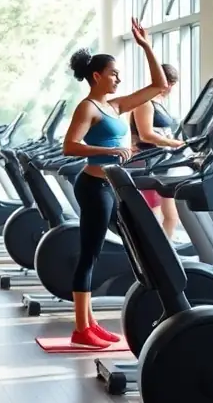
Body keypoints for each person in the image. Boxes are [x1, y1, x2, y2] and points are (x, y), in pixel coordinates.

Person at [62, 19, 168, 349]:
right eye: (113, 73)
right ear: (96, 76)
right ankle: (81, 327)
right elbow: (70, 146)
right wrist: (108, 150)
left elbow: (158, 86)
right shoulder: (88, 107)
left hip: (110, 188)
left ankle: (91, 321)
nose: (118, 78)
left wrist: (147, 46)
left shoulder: (115, 106)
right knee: (89, 254)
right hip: (94, 187)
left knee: (132, 239)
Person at [129, 63, 185, 238]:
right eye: (170, 85)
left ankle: (166, 251)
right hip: (149, 163)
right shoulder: (145, 103)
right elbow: (146, 135)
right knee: (155, 214)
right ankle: (153, 253)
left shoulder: (159, 104)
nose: (169, 89)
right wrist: (173, 143)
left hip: (162, 163)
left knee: (171, 216)